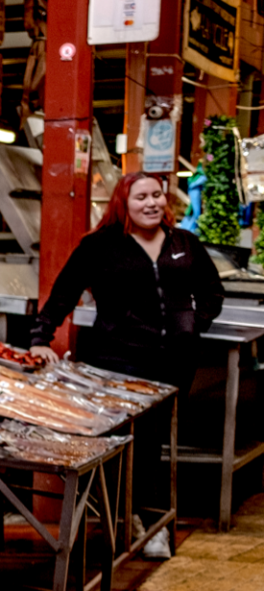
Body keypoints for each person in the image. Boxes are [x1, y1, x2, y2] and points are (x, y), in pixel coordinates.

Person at [31, 171, 223, 558]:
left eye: (157, 196)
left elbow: (212, 291)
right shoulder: (100, 246)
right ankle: (132, 518)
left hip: (175, 362)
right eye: (141, 197)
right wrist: (40, 337)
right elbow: (64, 291)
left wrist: (191, 326)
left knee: (155, 444)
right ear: (123, 203)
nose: (151, 203)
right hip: (119, 359)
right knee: (126, 443)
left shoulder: (184, 243)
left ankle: (146, 521)